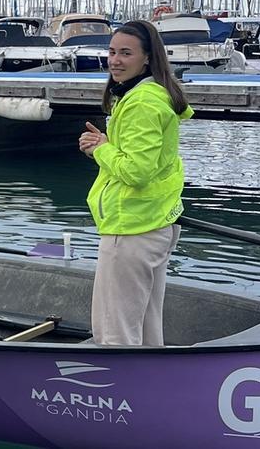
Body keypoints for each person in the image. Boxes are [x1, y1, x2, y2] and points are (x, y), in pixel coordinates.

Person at [78, 19, 191, 346]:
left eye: (126, 53)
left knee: (115, 333)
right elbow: (146, 160)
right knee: (145, 328)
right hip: (155, 221)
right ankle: (153, 390)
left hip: (131, 228)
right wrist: (107, 143)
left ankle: (120, 393)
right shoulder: (151, 96)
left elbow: (137, 172)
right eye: (112, 52)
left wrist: (102, 149)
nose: (115, 60)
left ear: (147, 58)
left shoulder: (141, 102)